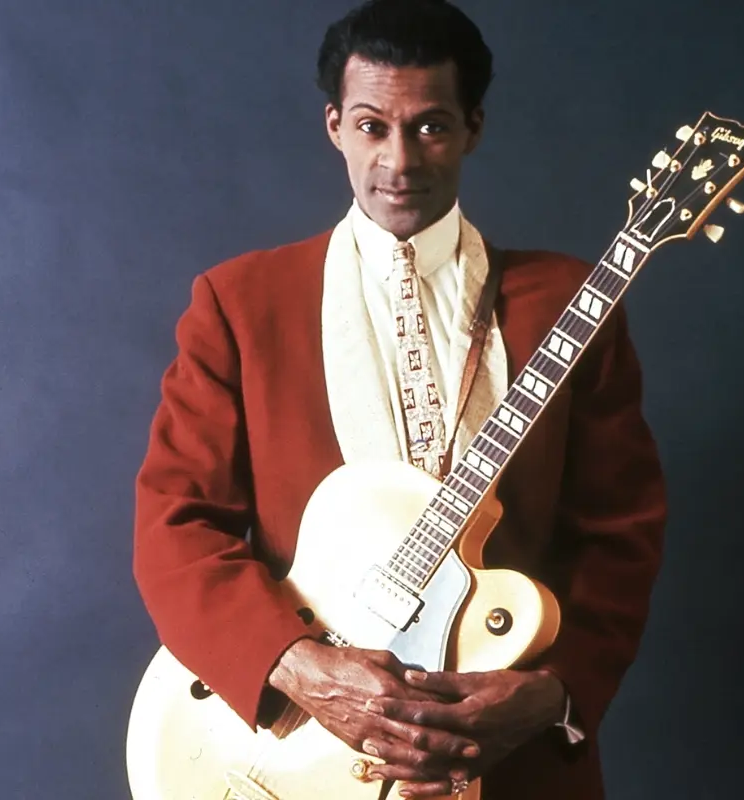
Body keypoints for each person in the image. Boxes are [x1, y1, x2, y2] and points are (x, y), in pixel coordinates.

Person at [132, 1, 667, 797]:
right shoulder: (241, 304)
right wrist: (302, 670)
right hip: (295, 747)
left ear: (474, 127)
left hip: (513, 761)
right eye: (373, 125)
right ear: (334, 125)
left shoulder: (567, 302)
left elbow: (619, 536)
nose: (400, 161)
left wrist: (551, 693)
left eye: (432, 127)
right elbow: (175, 526)